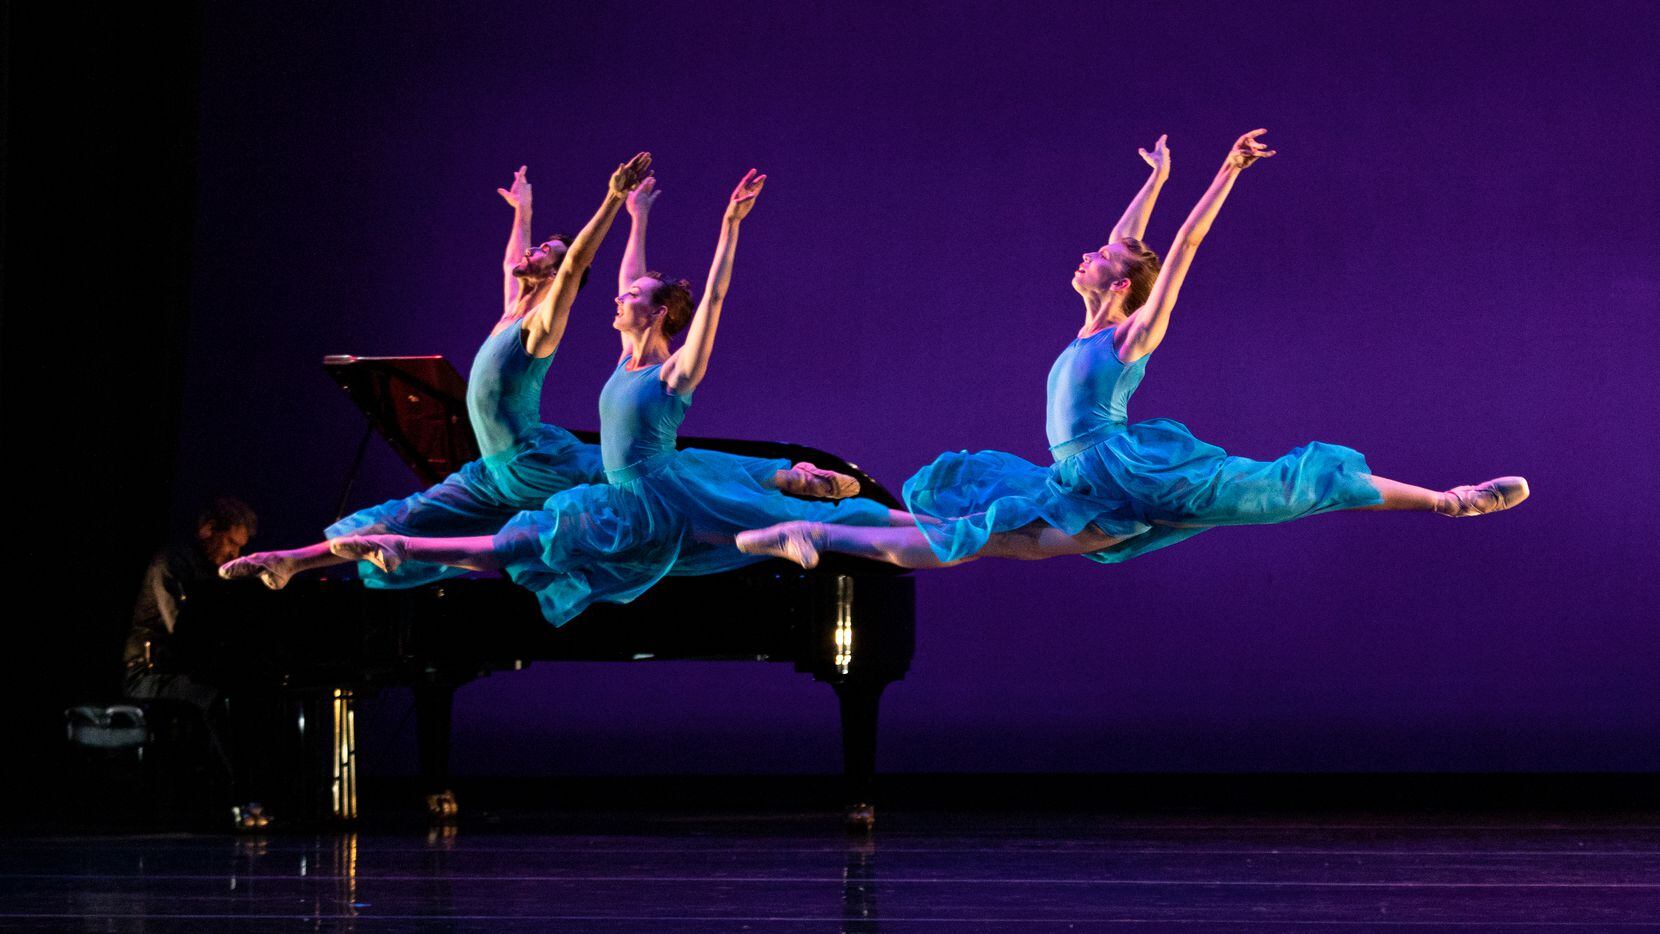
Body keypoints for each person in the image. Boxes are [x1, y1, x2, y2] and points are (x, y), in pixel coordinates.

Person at [736, 131, 1529, 570]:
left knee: (1292, 482)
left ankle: (1448, 499)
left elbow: (1177, 249)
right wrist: (1156, 177)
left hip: (1131, 467)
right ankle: (820, 530)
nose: (1089, 253)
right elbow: (1135, 240)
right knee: (975, 533)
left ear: (1119, 289)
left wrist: (1221, 176)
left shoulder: (1130, 332)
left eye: (1099, 259)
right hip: (1083, 480)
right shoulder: (1097, 314)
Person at [328, 170, 902, 625]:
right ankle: (789, 483)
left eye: (630, 296)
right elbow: (629, 274)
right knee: (553, 536)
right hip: (624, 490)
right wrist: (638, 215)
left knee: (716, 507)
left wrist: (729, 227)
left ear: (653, 315)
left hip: (648, 493)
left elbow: (714, 299)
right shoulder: (626, 359)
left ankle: (802, 494)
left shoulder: (673, 372)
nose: (618, 297)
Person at [220, 156, 647, 590]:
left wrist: (614, 198)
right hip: (492, 475)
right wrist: (523, 213)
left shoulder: (540, 326)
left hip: (535, 464)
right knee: (400, 518)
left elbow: (575, 265)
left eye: (543, 253)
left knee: (641, 489)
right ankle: (288, 560)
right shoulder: (510, 313)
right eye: (536, 246)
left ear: (554, 275)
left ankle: (708, 526)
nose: (530, 252)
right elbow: (509, 264)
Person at [122, 496, 264, 825]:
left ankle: (250, 791)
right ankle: (241, 796)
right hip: (147, 673)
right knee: (215, 698)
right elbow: (183, 636)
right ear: (206, 530)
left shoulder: (207, 570)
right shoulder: (170, 564)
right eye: (231, 543)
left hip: (181, 668)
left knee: (247, 695)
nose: (235, 555)